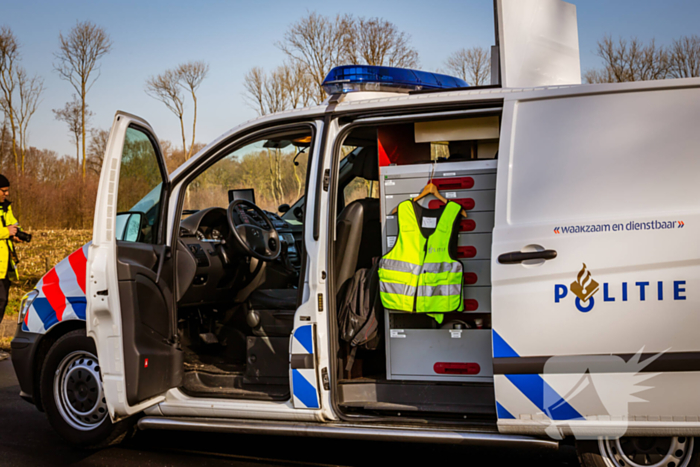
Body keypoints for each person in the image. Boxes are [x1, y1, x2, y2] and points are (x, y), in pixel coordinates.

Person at [0, 175, 20, 361]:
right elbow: (6, 229)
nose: (6, 194)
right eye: (3, 191)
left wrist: (17, 233)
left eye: (7, 191)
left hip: (5, 266)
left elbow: (13, 222)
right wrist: (7, 231)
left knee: (3, 302)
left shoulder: (6, 207)